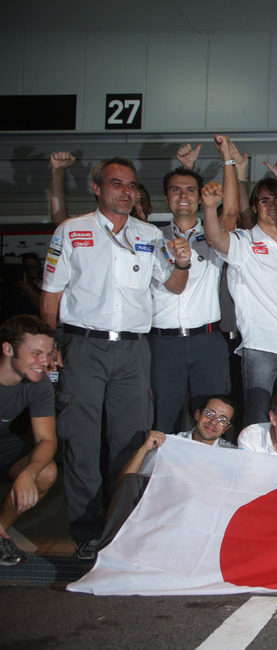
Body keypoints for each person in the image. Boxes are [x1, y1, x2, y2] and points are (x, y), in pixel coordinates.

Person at [40, 156, 192, 559]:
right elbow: (51, 296)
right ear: (97, 188)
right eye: (116, 184)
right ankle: (87, 533)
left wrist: (182, 262)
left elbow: (175, 286)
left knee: (131, 442)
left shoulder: (149, 234)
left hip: (133, 350)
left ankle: (123, 528)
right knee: (82, 443)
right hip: (82, 347)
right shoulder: (71, 232)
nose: (125, 191)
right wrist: (53, 345)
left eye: (130, 185)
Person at [202, 135, 277, 427]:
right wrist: (211, 208)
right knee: (258, 420)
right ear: (256, 206)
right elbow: (214, 237)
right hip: (260, 348)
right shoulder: (244, 243)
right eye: (264, 200)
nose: (272, 206)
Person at [95, 395, 238, 552]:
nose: (213, 422)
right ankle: (108, 552)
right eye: (210, 414)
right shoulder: (169, 444)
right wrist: (144, 449)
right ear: (197, 414)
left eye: (222, 420)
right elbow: (126, 482)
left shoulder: (231, 455)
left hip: (202, 520)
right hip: (164, 513)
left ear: (227, 429)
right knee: (132, 482)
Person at [149, 164, 231, 434]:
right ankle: (159, 476)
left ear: (199, 198)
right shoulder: (150, 237)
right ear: (165, 197)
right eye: (175, 190)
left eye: (190, 190)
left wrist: (229, 161)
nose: (183, 195)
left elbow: (230, 212)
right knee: (162, 419)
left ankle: (209, 476)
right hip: (163, 344)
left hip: (206, 342)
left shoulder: (213, 236)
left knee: (213, 420)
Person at [0, 316, 58, 565]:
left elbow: (46, 439)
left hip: (4, 443)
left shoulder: (39, 382)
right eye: (36, 354)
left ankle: (0, 530)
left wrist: (28, 473)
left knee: (45, 472)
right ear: (8, 349)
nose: (44, 362)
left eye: (48, 353)